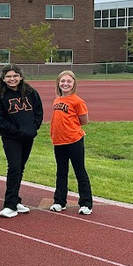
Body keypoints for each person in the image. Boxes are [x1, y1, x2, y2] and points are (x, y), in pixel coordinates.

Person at [0, 65, 44, 218]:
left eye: (15, 76)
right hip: (11, 138)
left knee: (20, 168)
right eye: (8, 76)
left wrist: (33, 127)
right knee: (14, 167)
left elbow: (38, 111)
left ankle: (16, 200)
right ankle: (9, 205)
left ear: (20, 77)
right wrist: (16, 131)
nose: (12, 79)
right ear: (3, 78)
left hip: (28, 136)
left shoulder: (30, 92)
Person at [50, 70, 93, 215]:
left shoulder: (77, 101)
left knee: (79, 171)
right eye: (63, 81)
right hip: (59, 141)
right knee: (61, 172)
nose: (65, 84)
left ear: (74, 83)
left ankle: (86, 203)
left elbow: (84, 121)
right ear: (58, 83)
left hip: (74, 140)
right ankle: (59, 201)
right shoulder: (57, 100)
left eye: (69, 81)